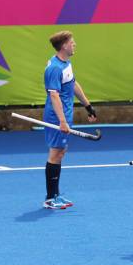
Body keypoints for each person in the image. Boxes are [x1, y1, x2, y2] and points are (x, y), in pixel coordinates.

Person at [43, 31, 97, 209]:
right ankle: (50, 199)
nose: (74, 45)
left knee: (60, 153)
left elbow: (73, 84)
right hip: (57, 117)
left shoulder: (66, 64)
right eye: (72, 42)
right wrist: (62, 121)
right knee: (55, 154)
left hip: (65, 115)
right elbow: (54, 96)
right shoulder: (54, 68)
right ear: (64, 46)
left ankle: (56, 194)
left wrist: (88, 106)